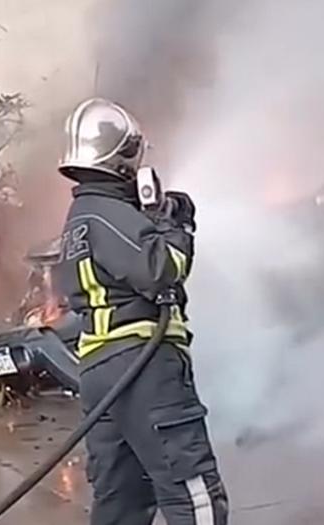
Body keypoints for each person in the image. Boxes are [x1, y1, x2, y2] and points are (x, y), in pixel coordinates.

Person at [52, 97, 228, 525]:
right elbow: (161, 269)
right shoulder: (109, 214)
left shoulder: (81, 217)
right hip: (143, 366)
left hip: (101, 372)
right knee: (192, 489)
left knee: (122, 500)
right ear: (124, 160)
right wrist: (177, 225)